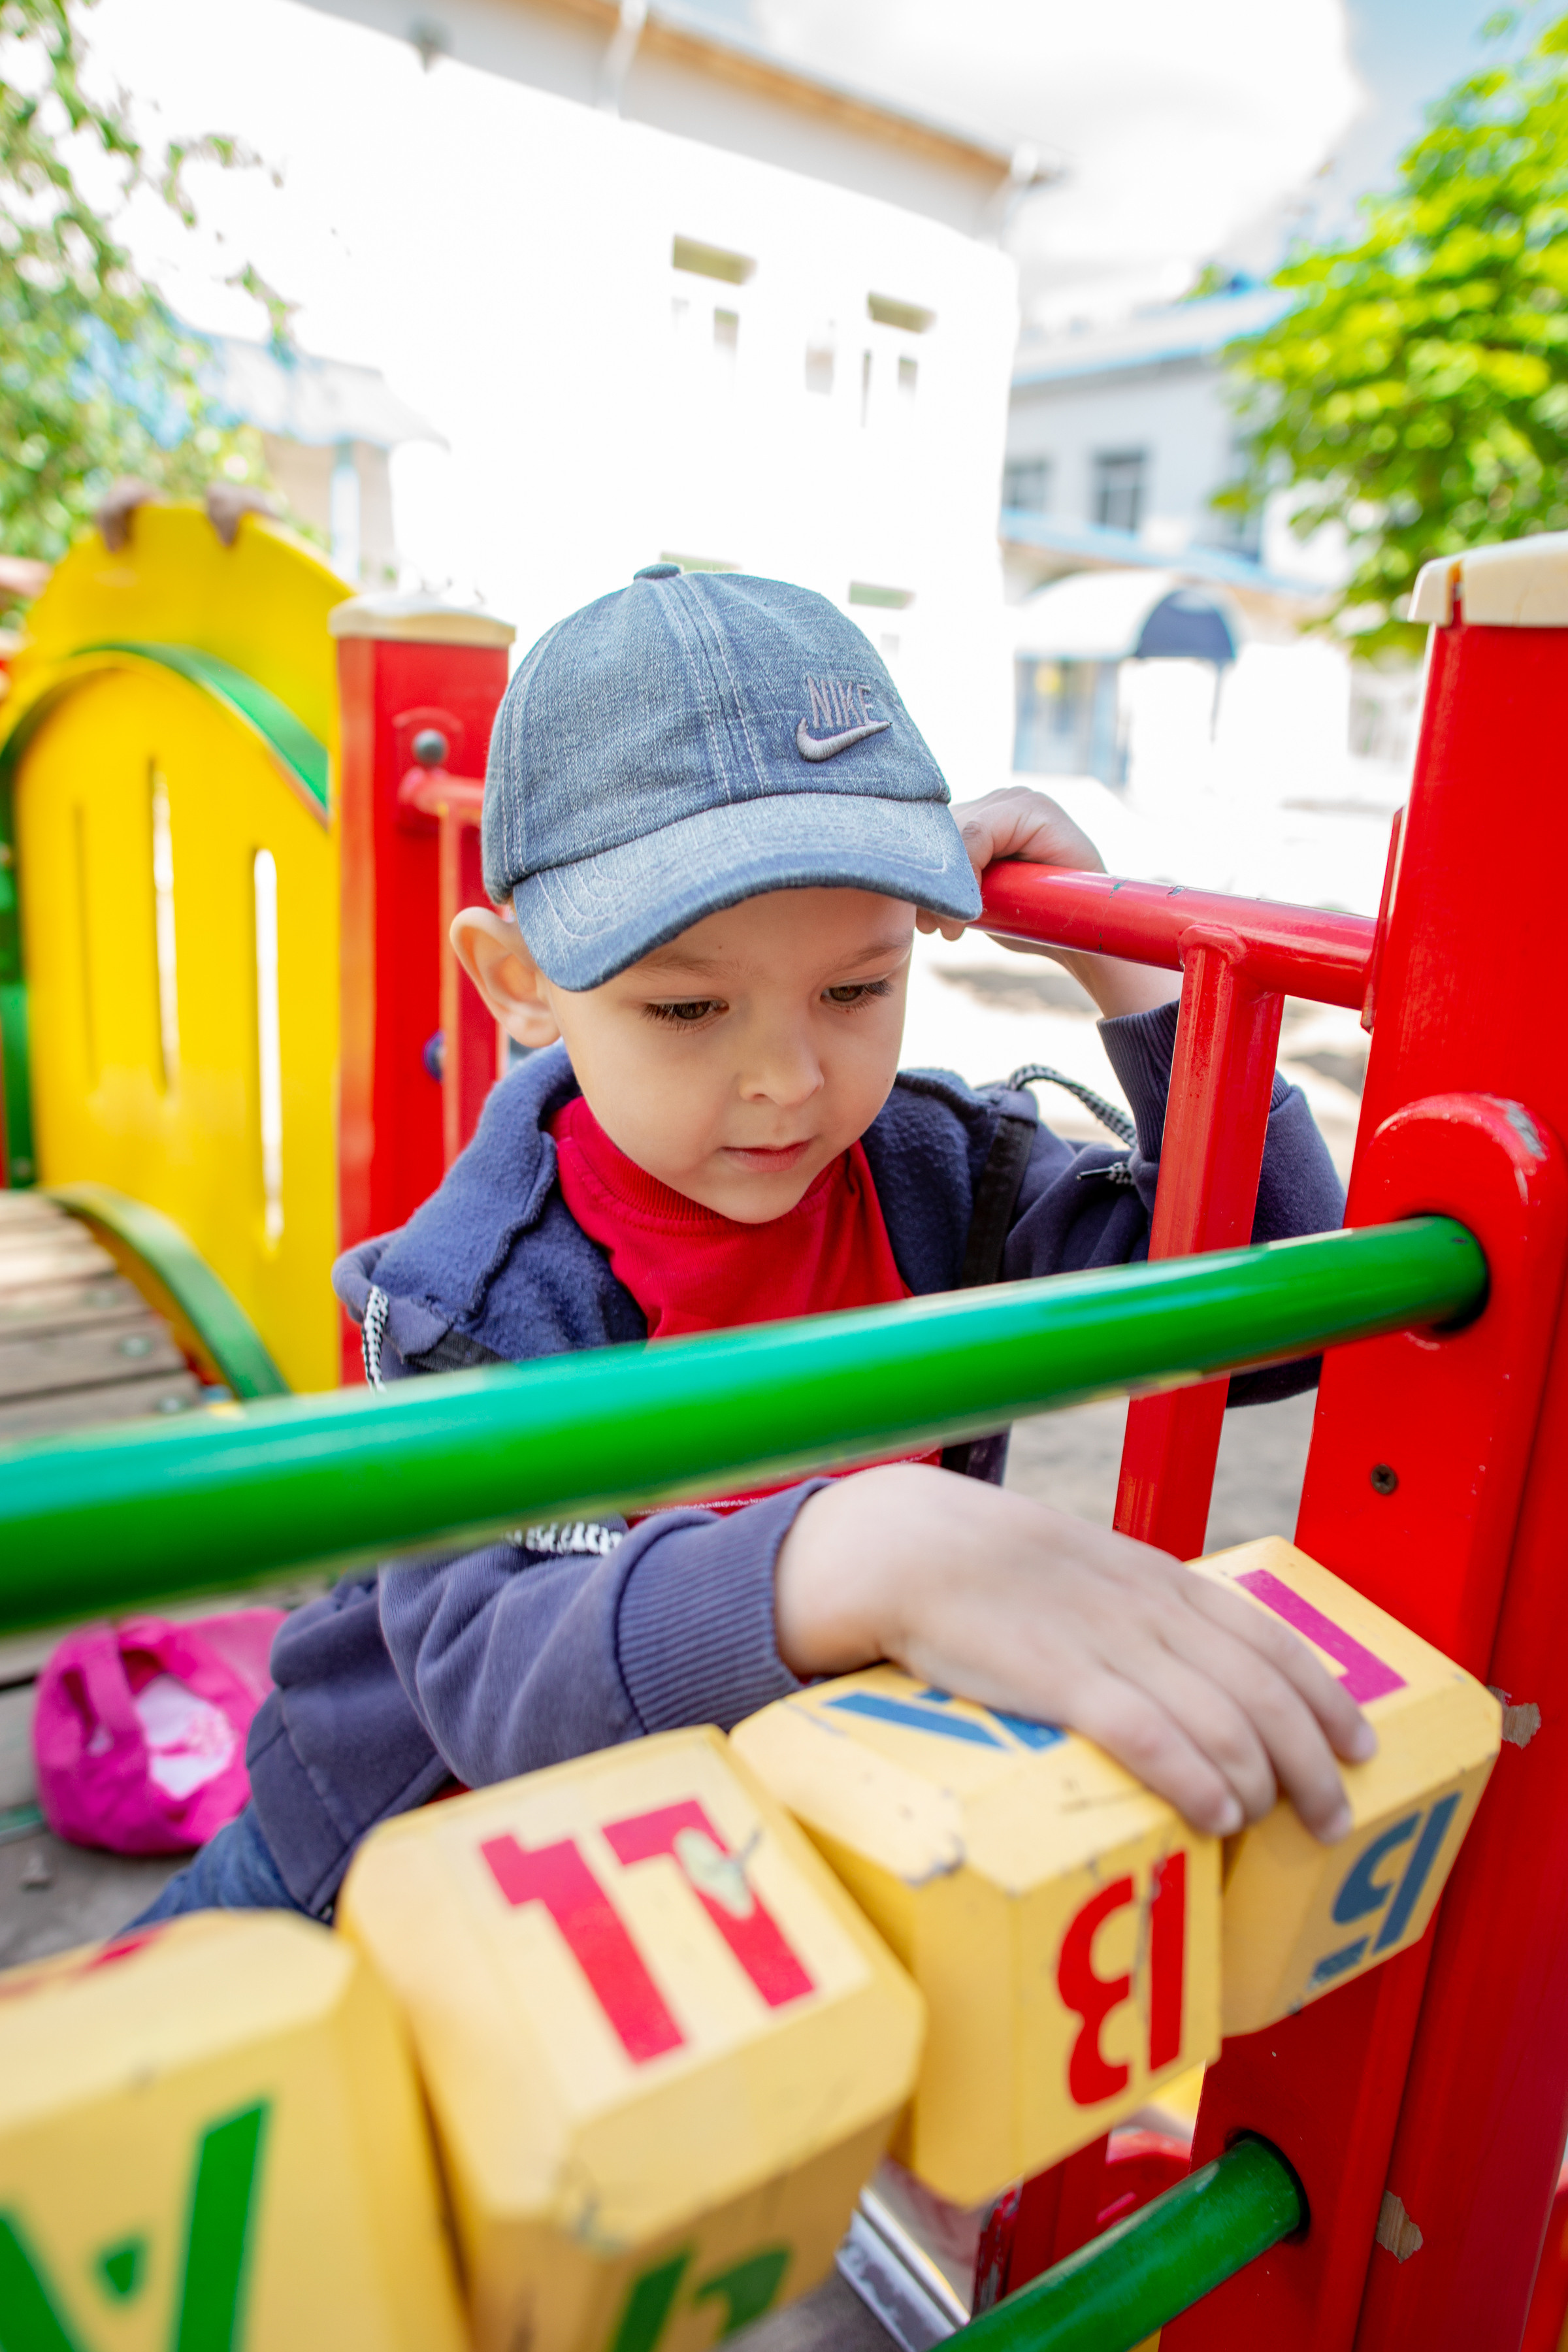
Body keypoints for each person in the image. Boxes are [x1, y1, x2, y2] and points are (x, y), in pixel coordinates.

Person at [135, 564, 1366, 1929]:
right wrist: (851, 1553)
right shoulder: (477, 1293)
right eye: (686, 1010)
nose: (788, 1079)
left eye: (858, 987)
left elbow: (1275, 1312)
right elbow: (503, 1686)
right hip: (383, 1868)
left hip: (737, 1862)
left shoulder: (939, 1174)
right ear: (520, 984)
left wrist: (1125, 962)